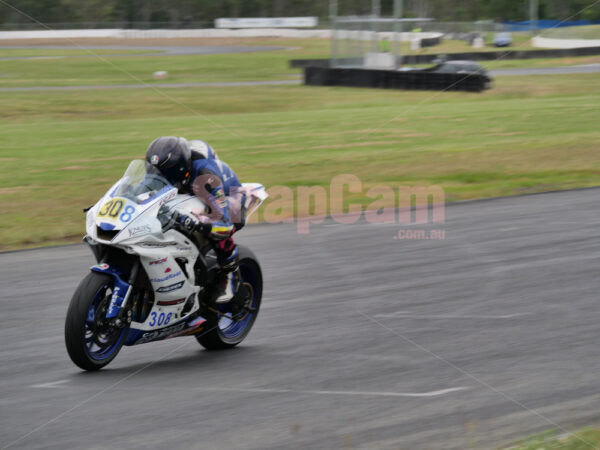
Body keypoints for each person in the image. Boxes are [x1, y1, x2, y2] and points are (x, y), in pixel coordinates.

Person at [145, 136, 242, 303]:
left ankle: (231, 274)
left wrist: (200, 224)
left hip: (230, 197)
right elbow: (141, 190)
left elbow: (225, 224)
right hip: (191, 191)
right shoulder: (161, 170)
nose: (160, 175)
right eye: (155, 170)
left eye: (167, 171)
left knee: (217, 229)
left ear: (181, 167)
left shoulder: (206, 177)